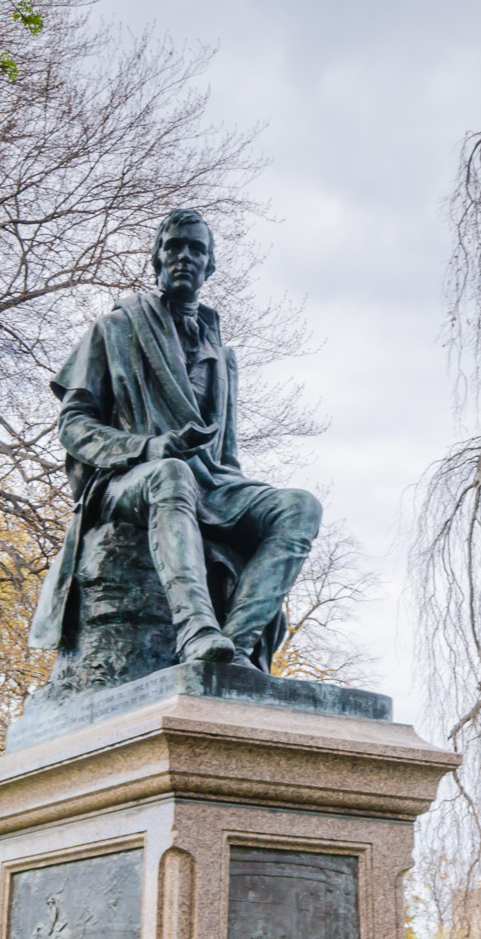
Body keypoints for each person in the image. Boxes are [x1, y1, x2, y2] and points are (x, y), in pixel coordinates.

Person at [29, 209, 321, 669]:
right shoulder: (116, 329)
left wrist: (236, 501)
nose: (185, 256)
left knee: (299, 505)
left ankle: (237, 649)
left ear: (211, 265)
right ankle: (195, 630)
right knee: (171, 473)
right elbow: (74, 425)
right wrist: (147, 448)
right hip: (126, 482)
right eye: (174, 247)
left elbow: (227, 455)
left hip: (212, 483)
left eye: (197, 249)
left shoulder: (221, 356)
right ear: (157, 260)